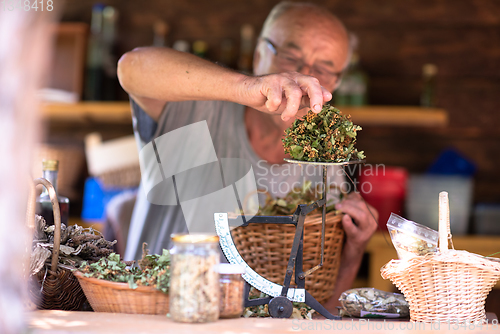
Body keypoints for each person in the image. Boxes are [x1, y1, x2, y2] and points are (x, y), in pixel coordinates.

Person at [117, 1, 378, 310]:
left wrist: (353, 252)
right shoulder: (193, 106)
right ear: (258, 55)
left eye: (321, 69)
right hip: (151, 315)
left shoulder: (322, 161)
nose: (301, 77)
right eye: (290, 56)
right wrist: (247, 88)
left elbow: (317, 310)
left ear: (334, 83)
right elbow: (131, 67)